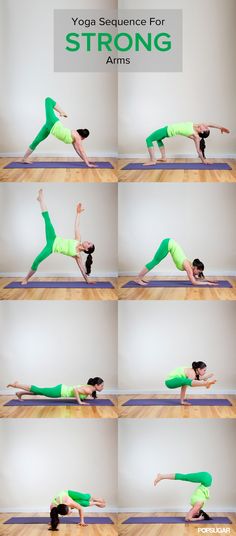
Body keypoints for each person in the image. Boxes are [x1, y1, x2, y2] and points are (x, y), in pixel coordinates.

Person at [21, 189, 95, 285]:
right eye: (89, 241)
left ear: (86, 249)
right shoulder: (78, 239)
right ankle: (41, 199)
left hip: (50, 248)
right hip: (53, 237)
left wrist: (87, 280)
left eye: (89, 243)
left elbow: (81, 269)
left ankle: (26, 278)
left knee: (36, 261)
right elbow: (76, 226)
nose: (87, 241)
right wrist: (78, 213)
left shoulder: (77, 256)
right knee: (47, 219)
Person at [21, 97, 96, 167]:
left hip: (49, 128)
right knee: (48, 100)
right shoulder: (77, 137)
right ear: (84, 137)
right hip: (54, 123)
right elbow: (82, 151)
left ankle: (24, 159)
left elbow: (78, 151)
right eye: (84, 138)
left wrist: (86, 160)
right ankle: (62, 112)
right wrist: (88, 164)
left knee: (36, 141)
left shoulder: (75, 139)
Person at [136, 237, 218, 286]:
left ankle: (140, 278)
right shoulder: (188, 267)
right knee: (155, 261)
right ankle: (138, 278)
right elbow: (194, 282)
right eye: (199, 272)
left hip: (169, 243)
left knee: (155, 261)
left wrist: (208, 280)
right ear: (195, 268)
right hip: (168, 243)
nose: (198, 274)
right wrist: (207, 284)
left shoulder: (191, 266)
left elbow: (196, 279)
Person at [145, 122, 230, 165]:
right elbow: (211, 124)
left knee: (148, 139)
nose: (205, 125)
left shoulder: (196, 136)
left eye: (205, 128)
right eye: (206, 127)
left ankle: (153, 160)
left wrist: (203, 160)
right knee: (158, 140)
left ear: (201, 131)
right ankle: (163, 157)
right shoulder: (196, 125)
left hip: (166, 131)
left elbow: (198, 150)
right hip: (167, 129)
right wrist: (221, 128)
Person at [7, 377, 104, 406]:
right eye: (102, 385)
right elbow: (76, 390)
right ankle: (16, 384)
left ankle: (20, 393)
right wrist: (80, 402)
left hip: (60, 389)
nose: (103, 387)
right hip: (59, 391)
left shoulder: (90, 388)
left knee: (40, 392)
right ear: (96, 385)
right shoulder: (88, 390)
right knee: (38, 389)